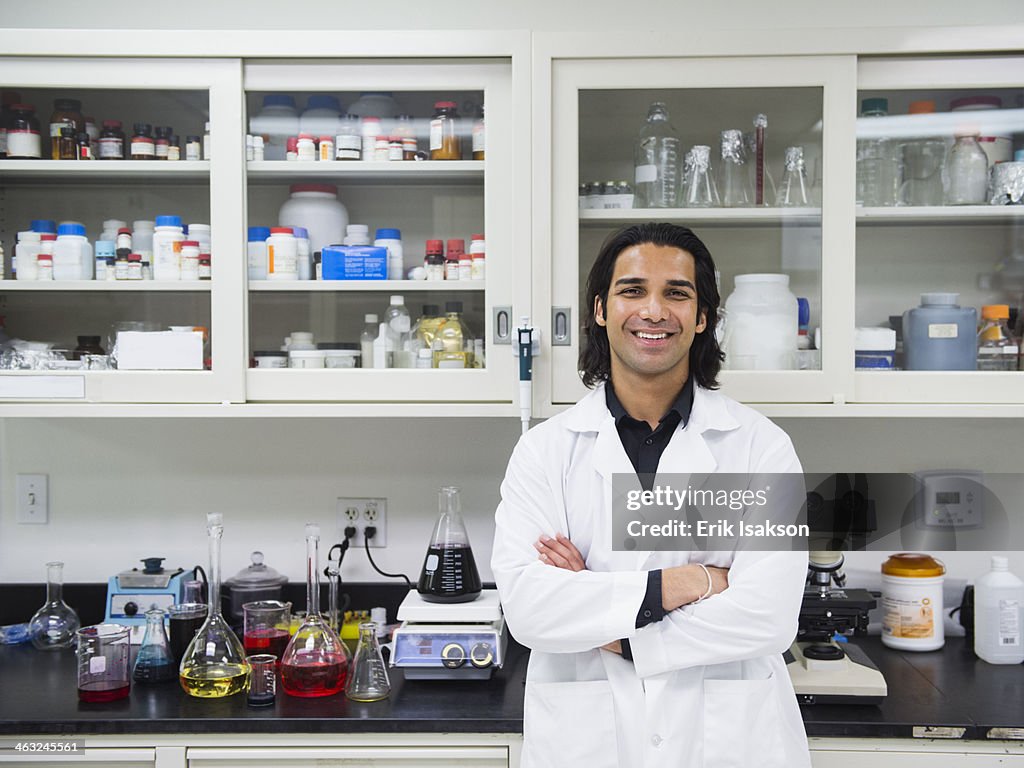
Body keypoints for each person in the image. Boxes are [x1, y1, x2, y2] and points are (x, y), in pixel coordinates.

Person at [491, 222, 811, 768]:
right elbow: (529, 610)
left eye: (677, 294)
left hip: (729, 741)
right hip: (588, 738)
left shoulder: (761, 448)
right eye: (632, 290)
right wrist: (693, 581)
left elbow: (768, 615)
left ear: (703, 317)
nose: (654, 310)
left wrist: (611, 621)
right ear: (600, 309)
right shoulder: (545, 451)